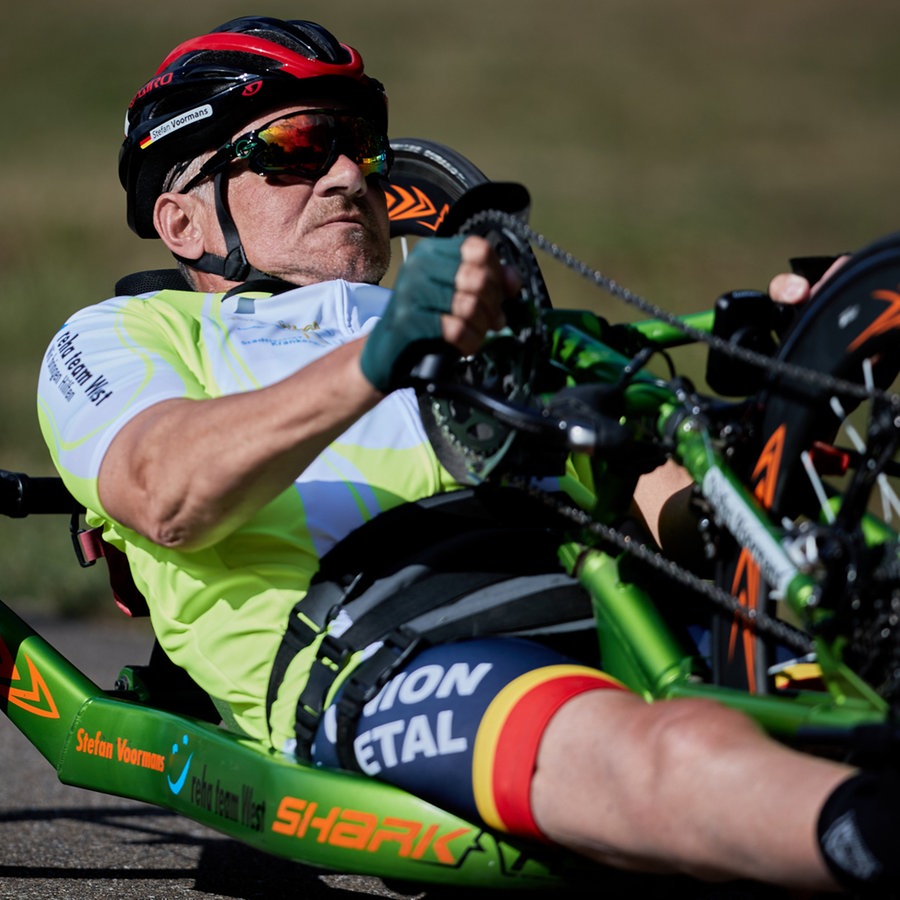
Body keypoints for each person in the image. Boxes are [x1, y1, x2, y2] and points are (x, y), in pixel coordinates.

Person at [35, 16, 898, 895]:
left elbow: (674, 511)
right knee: (668, 751)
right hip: (382, 645)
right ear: (182, 217)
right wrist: (379, 358)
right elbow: (161, 490)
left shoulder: (478, 321)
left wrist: (791, 407)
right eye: (295, 146)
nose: (344, 173)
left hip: (604, 590)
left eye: (360, 148)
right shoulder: (127, 335)